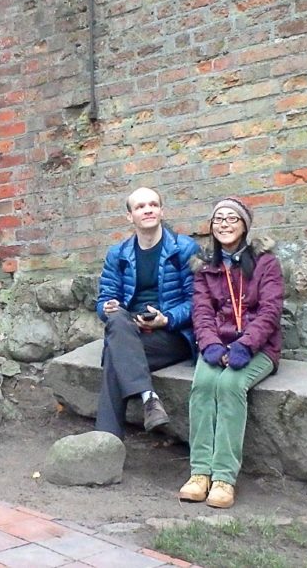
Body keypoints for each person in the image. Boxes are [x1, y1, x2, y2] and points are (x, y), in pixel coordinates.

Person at [179, 196, 283, 508]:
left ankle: (224, 477)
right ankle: (200, 473)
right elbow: (201, 312)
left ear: (244, 226)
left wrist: (244, 345)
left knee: (229, 385)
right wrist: (210, 344)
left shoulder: (266, 263)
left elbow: (270, 312)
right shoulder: (204, 268)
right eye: (218, 219)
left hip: (258, 347)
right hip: (217, 345)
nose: (224, 224)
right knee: (203, 385)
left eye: (232, 219)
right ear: (211, 227)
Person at [95, 187, 200, 438]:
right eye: (140, 207)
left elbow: (198, 301)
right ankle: (149, 399)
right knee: (118, 321)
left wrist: (168, 318)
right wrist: (107, 308)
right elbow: (104, 300)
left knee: (113, 353)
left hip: (172, 335)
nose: (148, 210)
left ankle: (104, 440)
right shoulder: (118, 254)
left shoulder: (184, 249)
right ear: (130, 216)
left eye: (153, 204)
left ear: (162, 211)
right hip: (132, 329)